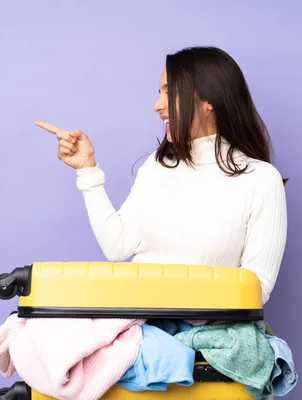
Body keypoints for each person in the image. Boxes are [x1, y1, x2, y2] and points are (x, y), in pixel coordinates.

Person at [35, 46, 287, 305]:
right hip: (137, 324)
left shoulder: (261, 180)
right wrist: (87, 169)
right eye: (160, 93)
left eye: (171, 92)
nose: (157, 106)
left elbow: (257, 288)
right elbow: (117, 246)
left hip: (195, 331)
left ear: (209, 100)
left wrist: (172, 315)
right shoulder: (157, 166)